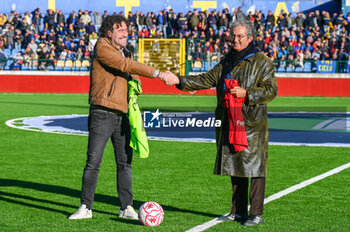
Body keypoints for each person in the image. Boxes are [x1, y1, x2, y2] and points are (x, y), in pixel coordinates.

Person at [164, 13, 278, 226]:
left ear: (250, 37)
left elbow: (271, 91)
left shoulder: (262, 62)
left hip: (252, 125)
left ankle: (256, 214)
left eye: (240, 36)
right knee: (236, 166)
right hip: (230, 121)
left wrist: (247, 93)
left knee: (255, 168)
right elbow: (205, 79)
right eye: (233, 36)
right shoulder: (226, 61)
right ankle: (237, 211)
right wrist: (178, 80)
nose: (235, 40)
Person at [68, 15, 176, 220]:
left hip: (124, 114)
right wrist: (158, 73)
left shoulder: (127, 51)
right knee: (93, 162)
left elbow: (131, 75)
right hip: (102, 112)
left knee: (125, 163)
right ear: (109, 33)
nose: (125, 33)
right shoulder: (102, 47)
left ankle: (126, 207)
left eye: (126, 29)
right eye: (120, 30)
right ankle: (85, 207)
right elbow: (125, 66)